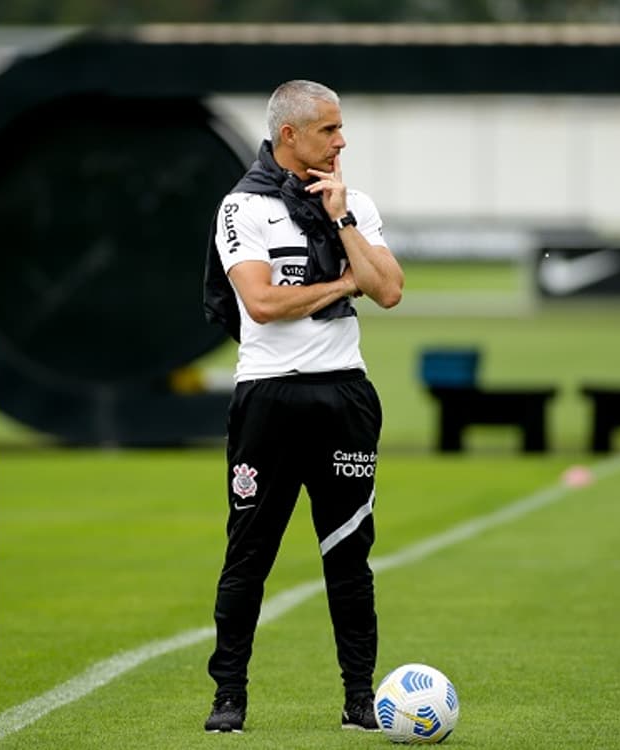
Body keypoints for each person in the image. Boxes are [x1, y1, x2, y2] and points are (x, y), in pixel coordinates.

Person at [200, 79, 404, 734]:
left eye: (342, 129)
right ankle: (228, 696)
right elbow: (260, 304)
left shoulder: (355, 204)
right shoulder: (242, 209)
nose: (342, 142)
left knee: (349, 554)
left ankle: (359, 700)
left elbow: (391, 291)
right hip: (269, 394)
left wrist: (342, 219)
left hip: (345, 392)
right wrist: (347, 282)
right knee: (249, 554)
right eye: (329, 130)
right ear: (290, 136)